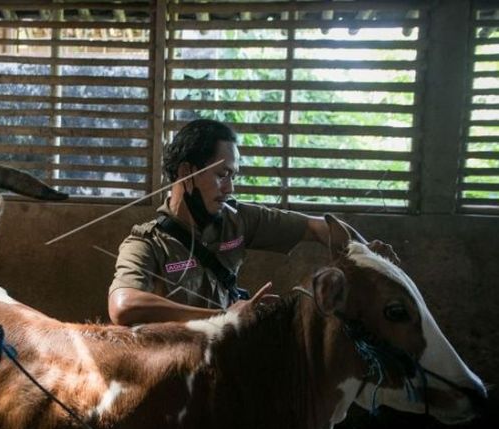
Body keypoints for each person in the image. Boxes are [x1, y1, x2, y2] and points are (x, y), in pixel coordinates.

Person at [108, 119, 393, 326]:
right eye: (222, 175)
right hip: (175, 373)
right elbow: (123, 306)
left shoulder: (237, 219)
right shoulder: (146, 244)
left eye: (234, 176)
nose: (230, 188)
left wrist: (368, 256)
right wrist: (226, 316)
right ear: (187, 172)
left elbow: (318, 227)